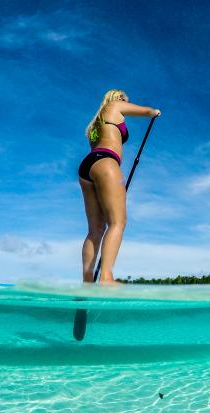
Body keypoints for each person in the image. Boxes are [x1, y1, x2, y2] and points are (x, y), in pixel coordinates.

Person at [78, 89, 160, 284]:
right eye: (126, 100)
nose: (127, 102)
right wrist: (154, 111)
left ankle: (87, 281)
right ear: (119, 98)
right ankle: (106, 278)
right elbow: (147, 111)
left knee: (95, 230)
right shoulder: (114, 105)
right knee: (118, 222)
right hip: (106, 162)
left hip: (87, 167)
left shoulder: (94, 125)